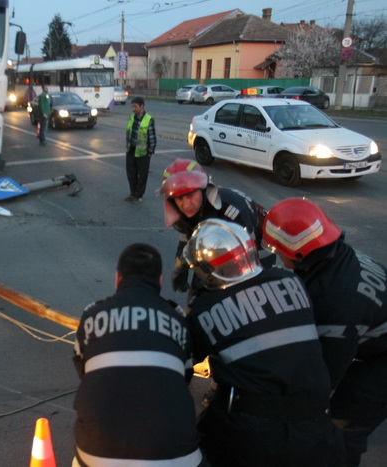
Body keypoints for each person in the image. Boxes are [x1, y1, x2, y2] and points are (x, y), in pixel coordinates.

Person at [184, 219, 345, 467]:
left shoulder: (204, 310)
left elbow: (196, 360)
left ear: (206, 271)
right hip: (319, 430)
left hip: (251, 435)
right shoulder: (291, 281)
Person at [262, 198, 387, 467]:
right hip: (368, 336)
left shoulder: (337, 303)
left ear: (297, 253)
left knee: (341, 424)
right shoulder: (338, 256)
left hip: (380, 362)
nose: (276, 255)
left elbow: (322, 382)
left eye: (277, 249)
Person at [73, 243, 204, 466]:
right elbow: (185, 377)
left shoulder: (92, 313)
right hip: (174, 456)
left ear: (117, 279)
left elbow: (83, 370)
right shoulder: (177, 317)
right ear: (160, 282)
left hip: (97, 454)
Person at [159, 158, 267, 293]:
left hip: (255, 242)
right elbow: (188, 238)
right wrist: (181, 266)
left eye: (190, 195)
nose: (186, 205)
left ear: (204, 189)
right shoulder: (181, 212)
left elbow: (248, 256)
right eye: (179, 198)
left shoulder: (232, 211)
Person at [124, 96, 156, 204]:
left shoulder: (148, 119)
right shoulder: (131, 117)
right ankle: (133, 194)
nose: (133, 109)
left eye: (135, 107)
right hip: (131, 150)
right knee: (131, 174)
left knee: (142, 176)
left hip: (143, 153)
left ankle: (138, 196)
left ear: (142, 106)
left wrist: (150, 152)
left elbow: (152, 137)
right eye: (132, 106)